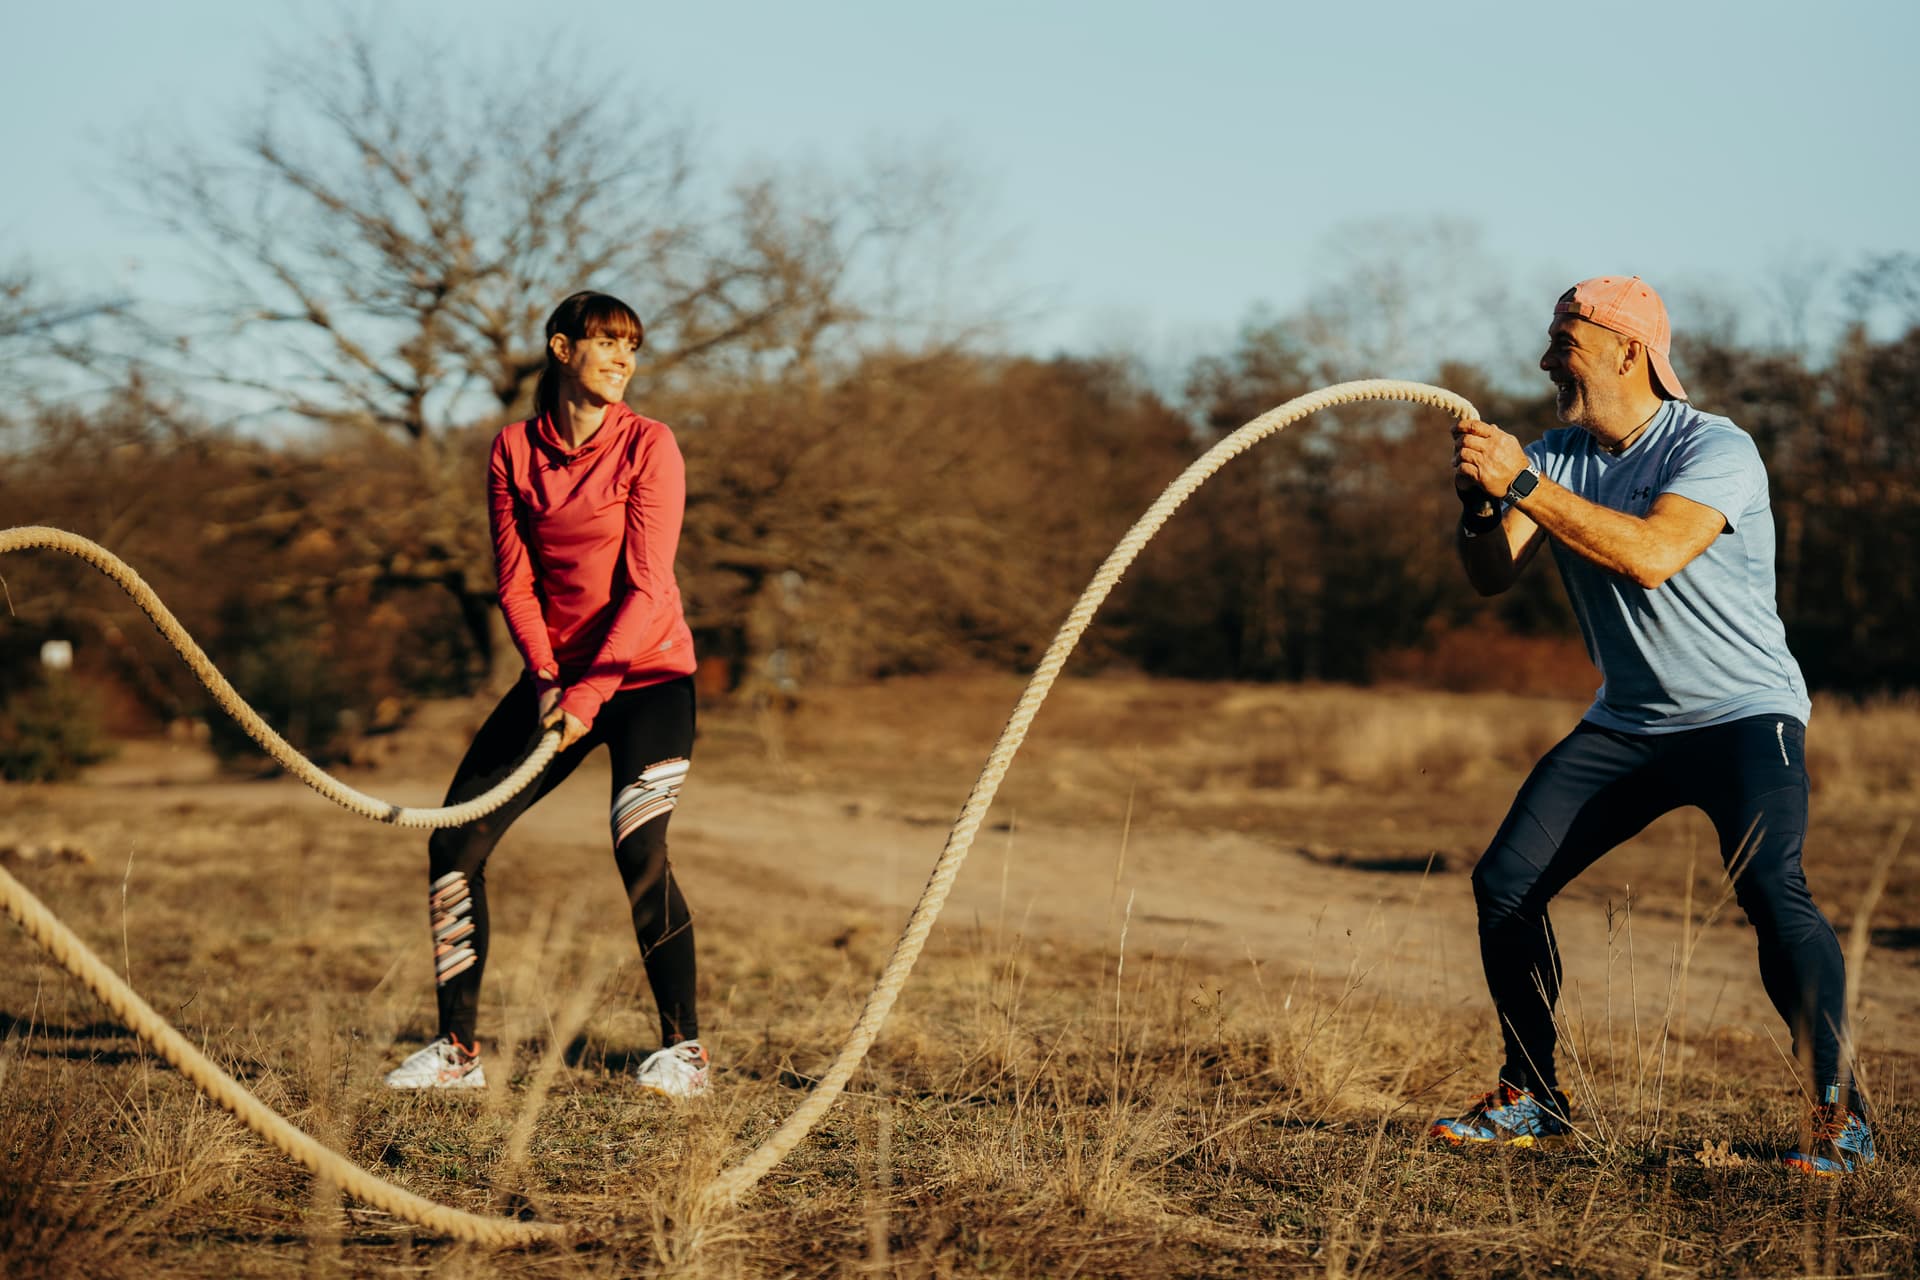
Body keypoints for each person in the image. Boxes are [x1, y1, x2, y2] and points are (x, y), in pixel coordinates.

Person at [1432, 276, 1872, 1173]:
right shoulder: (1556, 455)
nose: (1548, 360)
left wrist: (1522, 480)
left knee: (1769, 889)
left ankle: (1840, 1115)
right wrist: (1486, 506)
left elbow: (1652, 555)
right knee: (1505, 885)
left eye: (1566, 341)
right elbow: (1491, 575)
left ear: (1629, 350)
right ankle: (1534, 1097)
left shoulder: (1716, 448)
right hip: (1627, 726)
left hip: (1746, 716)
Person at [384, 291, 709, 1098]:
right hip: (558, 685)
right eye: (606, 343)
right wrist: (546, 680)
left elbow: (645, 585)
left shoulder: (650, 445)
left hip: (649, 678)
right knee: (454, 844)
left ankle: (684, 1052)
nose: (624, 360)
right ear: (562, 350)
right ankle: (458, 1051)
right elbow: (515, 582)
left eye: (632, 346)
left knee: (639, 847)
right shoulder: (512, 451)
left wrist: (590, 693)